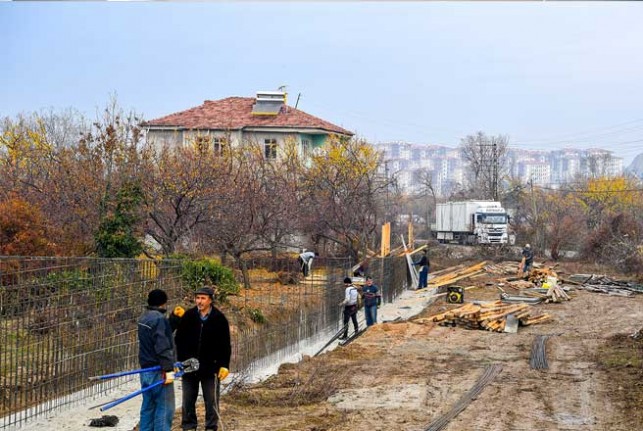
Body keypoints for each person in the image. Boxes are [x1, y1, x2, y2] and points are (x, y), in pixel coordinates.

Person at [174, 287, 231, 431]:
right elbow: (179, 340)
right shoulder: (188, 316)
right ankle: (189, 426)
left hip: (210, 367)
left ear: (210, 300)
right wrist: (178, 360)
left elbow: (225, 344)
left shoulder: (219, 319)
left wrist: (224, 365)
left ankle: (211, 427)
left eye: (203, 298)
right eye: (197, 298)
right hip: (189, 366)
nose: (199, 301)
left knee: (211, 400)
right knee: (187, 400)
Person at [137, 289, 176, 431]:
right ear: (163, 303)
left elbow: (157, 336)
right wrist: (168, 369)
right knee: (165, 408)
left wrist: (173, 321)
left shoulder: (143, 318)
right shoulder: (159, 320)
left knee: (148, 406)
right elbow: (162, 346)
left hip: (145, 371)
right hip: (158, 371)